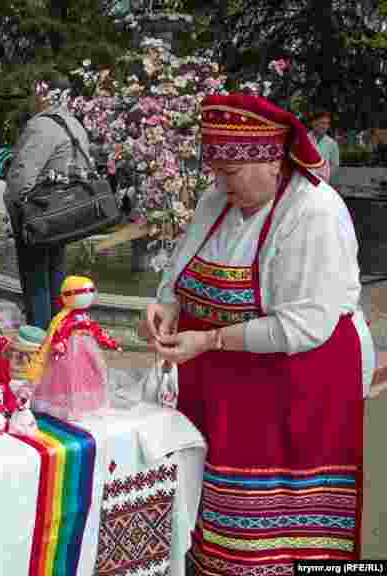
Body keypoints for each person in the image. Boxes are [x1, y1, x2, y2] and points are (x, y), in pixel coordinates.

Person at [139, 93, 372, 575]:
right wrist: (165, 304)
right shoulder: (218, 199)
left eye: (232, 173)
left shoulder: (314, 212)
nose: (221, 186)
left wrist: (209, 340)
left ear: (270, 160)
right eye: (216, 173)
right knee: (216, 518)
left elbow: (303, 325)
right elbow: (179, 270)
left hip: (297, 385)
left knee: (278, 534)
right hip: (222, 385)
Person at [4, 74, 91, 329]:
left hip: (39, 215)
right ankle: (57, 338)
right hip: (65, 214)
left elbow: (20, 178)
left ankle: (39, 343)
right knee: (55, 279)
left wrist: (13, 210)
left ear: (44, 94)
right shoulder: (75, 124)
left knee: (36, 284)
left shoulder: (42, 125)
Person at [308, 109, 340, 181]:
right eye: (322, 123)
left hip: (322, 184)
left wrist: (325, 176)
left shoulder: (332, 143)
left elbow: (335, 165)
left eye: (327, 123)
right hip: (305, 182)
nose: (325, 126)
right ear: (313, 123)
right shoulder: (304, 139)